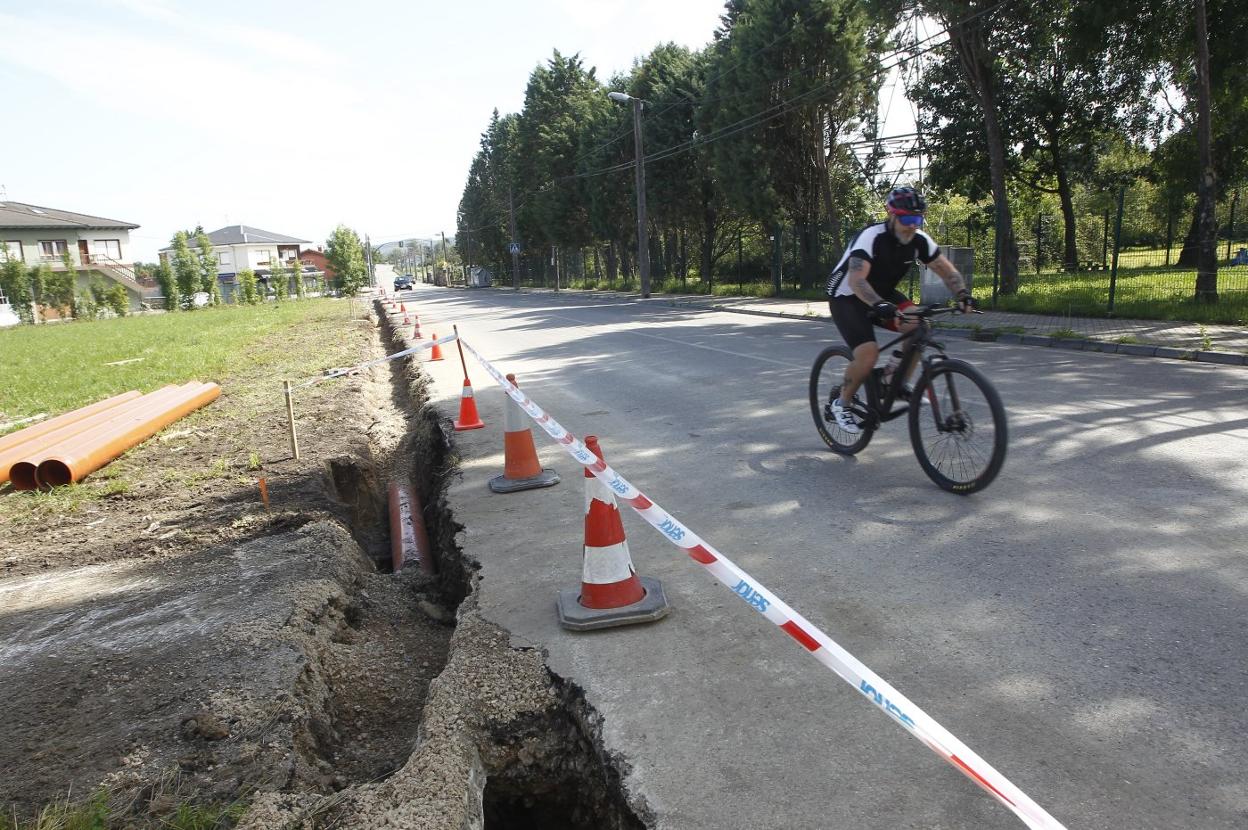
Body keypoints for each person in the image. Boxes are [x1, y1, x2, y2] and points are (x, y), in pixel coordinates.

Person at [825, 186, 971, 434]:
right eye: (906, 218)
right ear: (891, 215)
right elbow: (857, 280)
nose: (912, 225)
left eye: (917, 219)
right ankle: (842, 403)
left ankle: (893, 379)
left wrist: (963, 294)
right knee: (868, 355)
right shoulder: (872, 237)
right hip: (847, 296)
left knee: (920, 326)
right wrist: (878, 305)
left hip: (882, 293)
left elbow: (945, 269)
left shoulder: (919, 240)